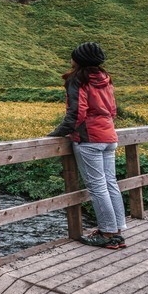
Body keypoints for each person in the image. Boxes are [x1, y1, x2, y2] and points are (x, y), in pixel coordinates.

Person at [48, 42, 127, 249]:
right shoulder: (105, 79)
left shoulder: (77, 80)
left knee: (98, 187)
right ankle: (117, 231)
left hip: (89, 138)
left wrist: (56, 133)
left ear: (79, 61)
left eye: (72, 57)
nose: (70, 60)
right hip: (109, 136)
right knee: (110, 183)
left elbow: (76, 113)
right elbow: (112, 110)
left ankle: (108, 234)